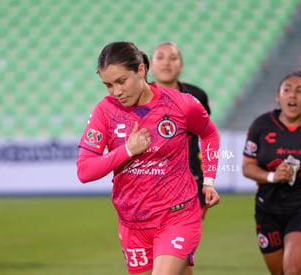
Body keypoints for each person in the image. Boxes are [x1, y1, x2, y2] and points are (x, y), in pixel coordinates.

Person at [77, 41, 221, 275]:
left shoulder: (181, 104)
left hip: (178, 214)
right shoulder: (104, 111)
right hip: (132, 223)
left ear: (141, 71)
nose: (117, 91)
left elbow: (210, 134)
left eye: (121, 81)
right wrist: (128, 151)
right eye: (108, 85)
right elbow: (84, 171)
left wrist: (209, 181)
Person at [242, 71, 301, 275]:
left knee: (293, 270)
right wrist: (271, 177)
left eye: (300, 91)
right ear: (278, 96)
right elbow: (247, 167)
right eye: (287, 90)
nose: (293, 95)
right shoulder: (261, 125)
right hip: (268, 209)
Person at [150, 41, 211, 220]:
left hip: (191, 177)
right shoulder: (138, 96)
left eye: (173, 58)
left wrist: (209, 172)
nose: (166, 62)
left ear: (181, 66)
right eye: (160, 57)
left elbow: (208, 134)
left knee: (184, 240)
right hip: (151, 180)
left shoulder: (197, 96)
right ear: (150, 65)